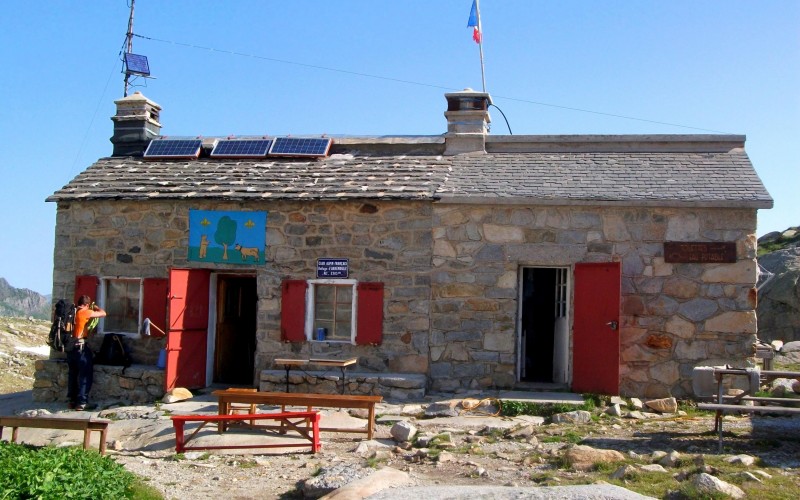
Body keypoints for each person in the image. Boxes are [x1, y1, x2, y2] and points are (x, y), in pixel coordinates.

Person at [67, 295, 106, 411]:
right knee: (85, 375)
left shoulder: (71, 312)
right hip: (81, 347)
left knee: (73, 374)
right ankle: (82, 402)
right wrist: (97, 308)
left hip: (70, 348)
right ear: (87, 305)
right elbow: (103, 313)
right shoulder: (85, 312)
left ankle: (71, 401)